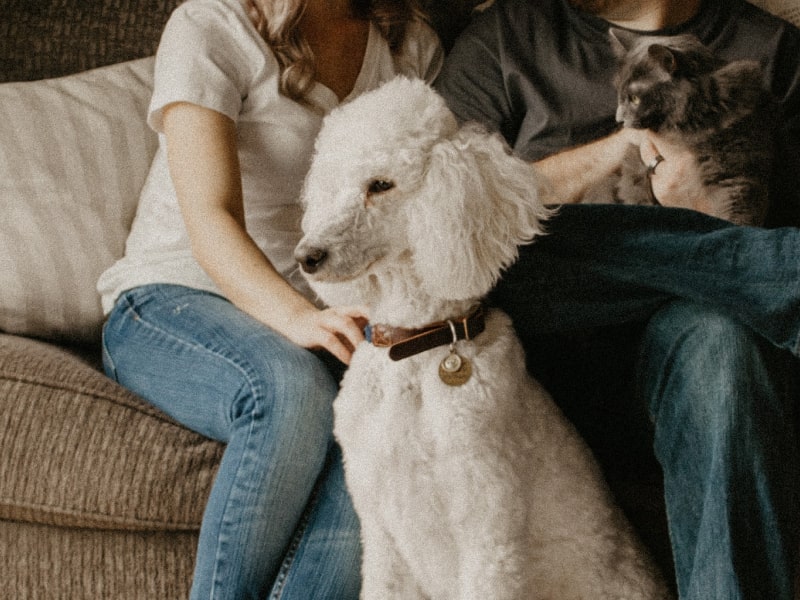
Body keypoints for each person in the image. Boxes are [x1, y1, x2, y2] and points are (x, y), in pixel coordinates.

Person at [435, 0, 800, 598]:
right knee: (499, 251)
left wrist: (699, 212)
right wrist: (620, 149)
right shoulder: (505, 37)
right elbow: (443, 210)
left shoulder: (771, 50)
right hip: (547, 341)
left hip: (690, 340)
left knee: (725, 344)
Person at [97, 0, 442, 597]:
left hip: (327, 317)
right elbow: (209, 216)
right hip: (171, 299)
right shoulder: (211, 25)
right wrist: (298, 317)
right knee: (290, 388)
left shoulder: (410, 44)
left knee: (383, 435)